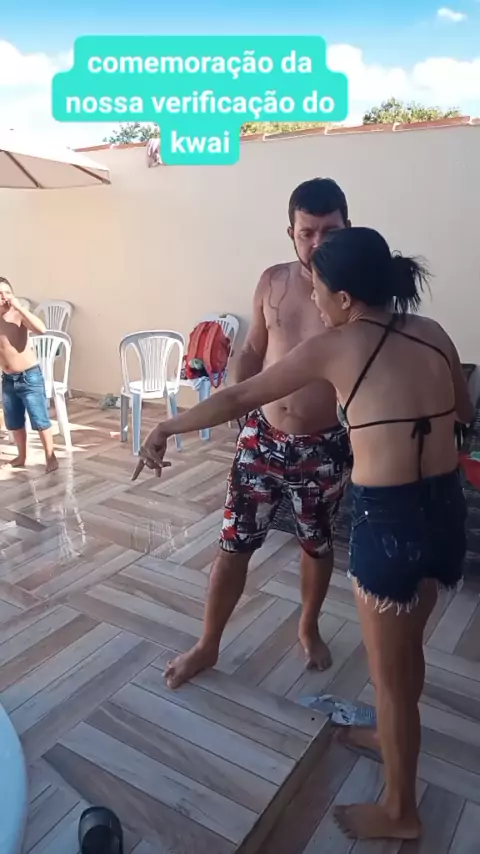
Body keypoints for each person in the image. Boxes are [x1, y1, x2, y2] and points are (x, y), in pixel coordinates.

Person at [136, 226, 472, 842]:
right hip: (446, 508)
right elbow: (464, 412)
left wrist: (166, 428)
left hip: (390, 520)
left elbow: (240, 394)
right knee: (408, 649)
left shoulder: (337, 345)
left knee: (390, 673)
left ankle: (400, 810)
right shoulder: (433, 332)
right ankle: (390, 733)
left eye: (318, 290)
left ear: (344, 298)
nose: (313, 300)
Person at [164, 178, 353, 688]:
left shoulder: (355, 290)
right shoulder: (273, 281)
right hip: (262, 437)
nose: (318, 243)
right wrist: (236, 392)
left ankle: (308, 626)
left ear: (348, 227)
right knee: (233, 544)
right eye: (307, 232)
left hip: (324, 446)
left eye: (330, 231)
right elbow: (251, 348)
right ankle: (207, 644)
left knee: (316, 544)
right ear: (291, 233)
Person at [0, 278, 58, 473]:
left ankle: (50, 456)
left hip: (29, 376)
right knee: (14, 421)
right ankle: (21, 456)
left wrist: (20, 308)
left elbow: (41, 329)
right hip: (8, 379)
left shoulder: (18, 314)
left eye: (7, 292)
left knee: (39, 419)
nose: (4, 297)